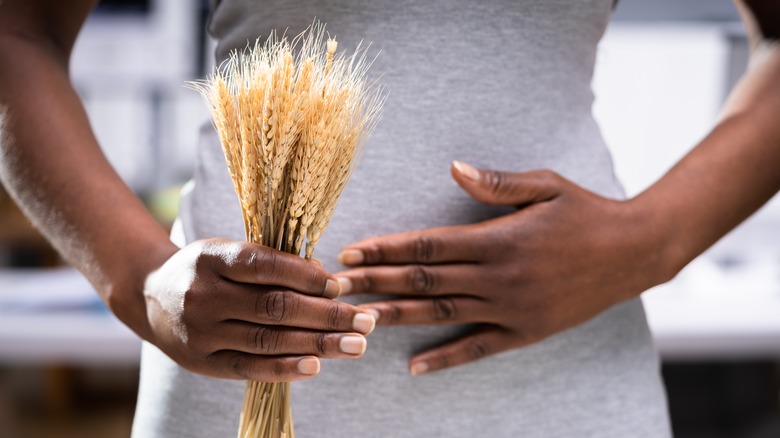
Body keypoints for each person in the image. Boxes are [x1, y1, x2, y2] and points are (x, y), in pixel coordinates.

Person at [0, 0, 778, 436]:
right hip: (241, 390)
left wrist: (653, 241)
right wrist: (139, 280)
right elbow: (18, 28)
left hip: (564, 395)